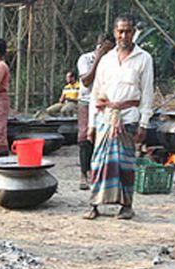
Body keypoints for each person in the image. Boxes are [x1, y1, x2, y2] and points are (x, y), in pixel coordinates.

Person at [85, 14, 153, 221]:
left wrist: (144, 123)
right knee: (99, 163)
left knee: (125, 164)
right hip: (105, 118)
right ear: (115, 33)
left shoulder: (144, 59)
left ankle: (126, 206)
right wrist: (91, 124)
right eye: (120, 31)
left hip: (129, 118)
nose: (124, 35)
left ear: (134, 33)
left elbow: (147, 93)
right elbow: (95, 94)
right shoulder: (106, 60)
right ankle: (95, 204)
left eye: (128, 31)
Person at [77, 33, 115, 190]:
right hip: (87, 102)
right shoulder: (86, 59)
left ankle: (98, 172)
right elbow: (86, 81)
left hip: (107, 103)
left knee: (104, 138)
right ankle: (84, 174)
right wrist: (99, 59)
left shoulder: (115, 61)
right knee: (85, 137)